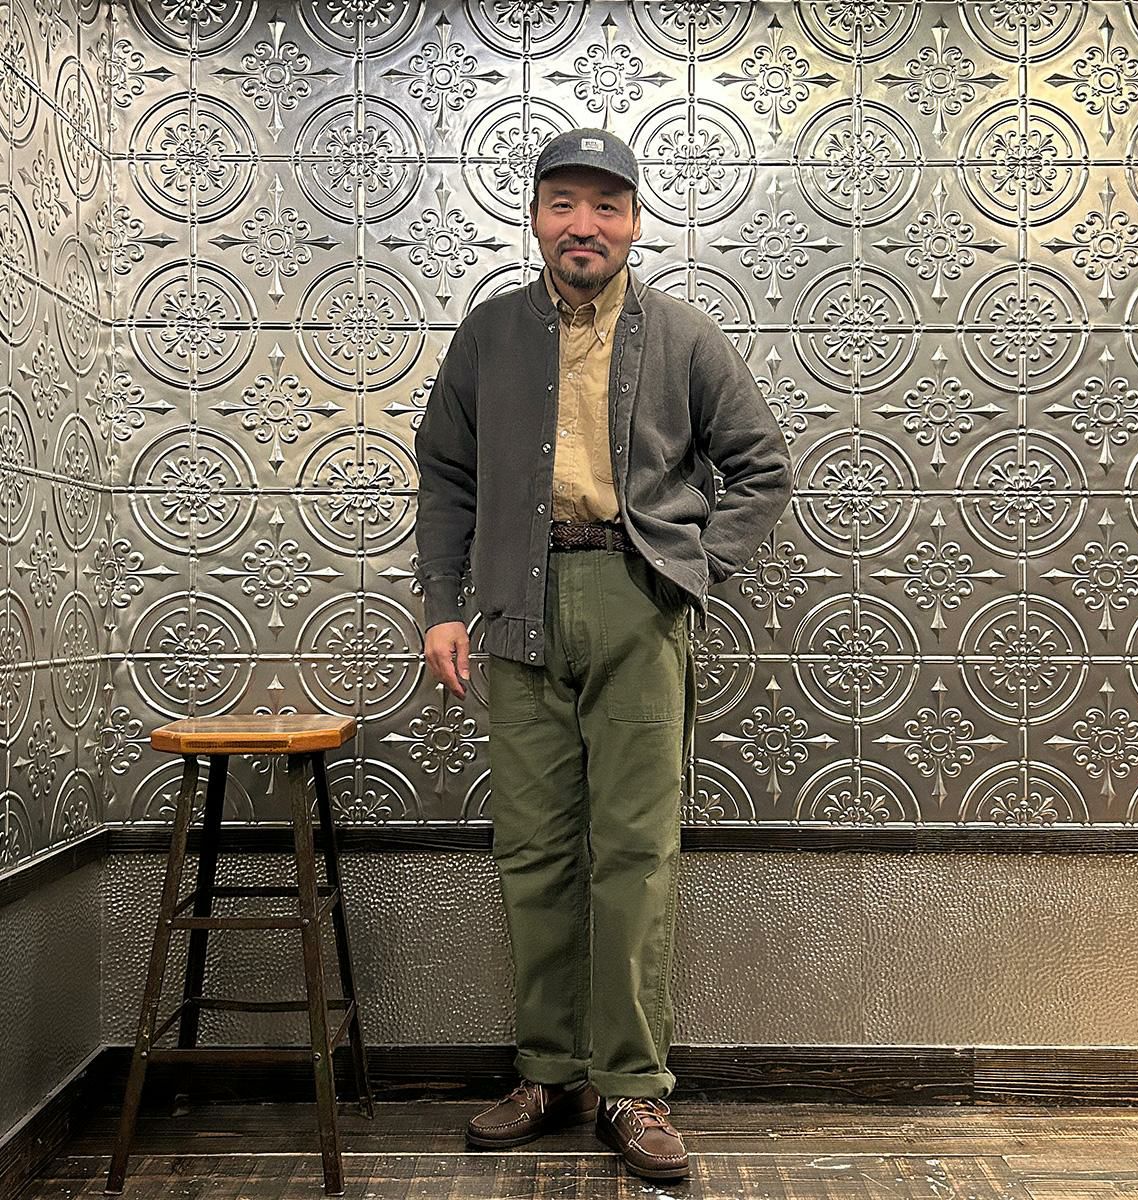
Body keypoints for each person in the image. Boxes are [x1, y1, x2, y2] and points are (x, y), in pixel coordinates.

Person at [414, 127, 790, 1182]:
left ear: (634, 221)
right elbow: (446, 476)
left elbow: (760, 467)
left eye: (606, 206)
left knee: (635, 852)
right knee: (533, 851)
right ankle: (546, 1071)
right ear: (536, 216)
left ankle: (632, 1086)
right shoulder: (489, 334)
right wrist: (443, 606)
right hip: (515, 608)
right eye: (564, 204)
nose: (585, 226)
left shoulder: (684, 334)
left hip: (636, 602)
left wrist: (690, 569)